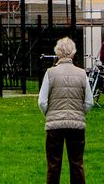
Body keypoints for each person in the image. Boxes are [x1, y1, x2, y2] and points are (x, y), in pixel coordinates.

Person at [38, 37, 93, 184]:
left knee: (53, 165)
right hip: (76, 124)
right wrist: (80, 113)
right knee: (77, 164)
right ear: (73, 53)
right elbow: (89, 102)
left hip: (55, 124)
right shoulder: (82, 74)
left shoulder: (50, 73)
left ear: (57, 53)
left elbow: (42, 101)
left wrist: (49, 114)